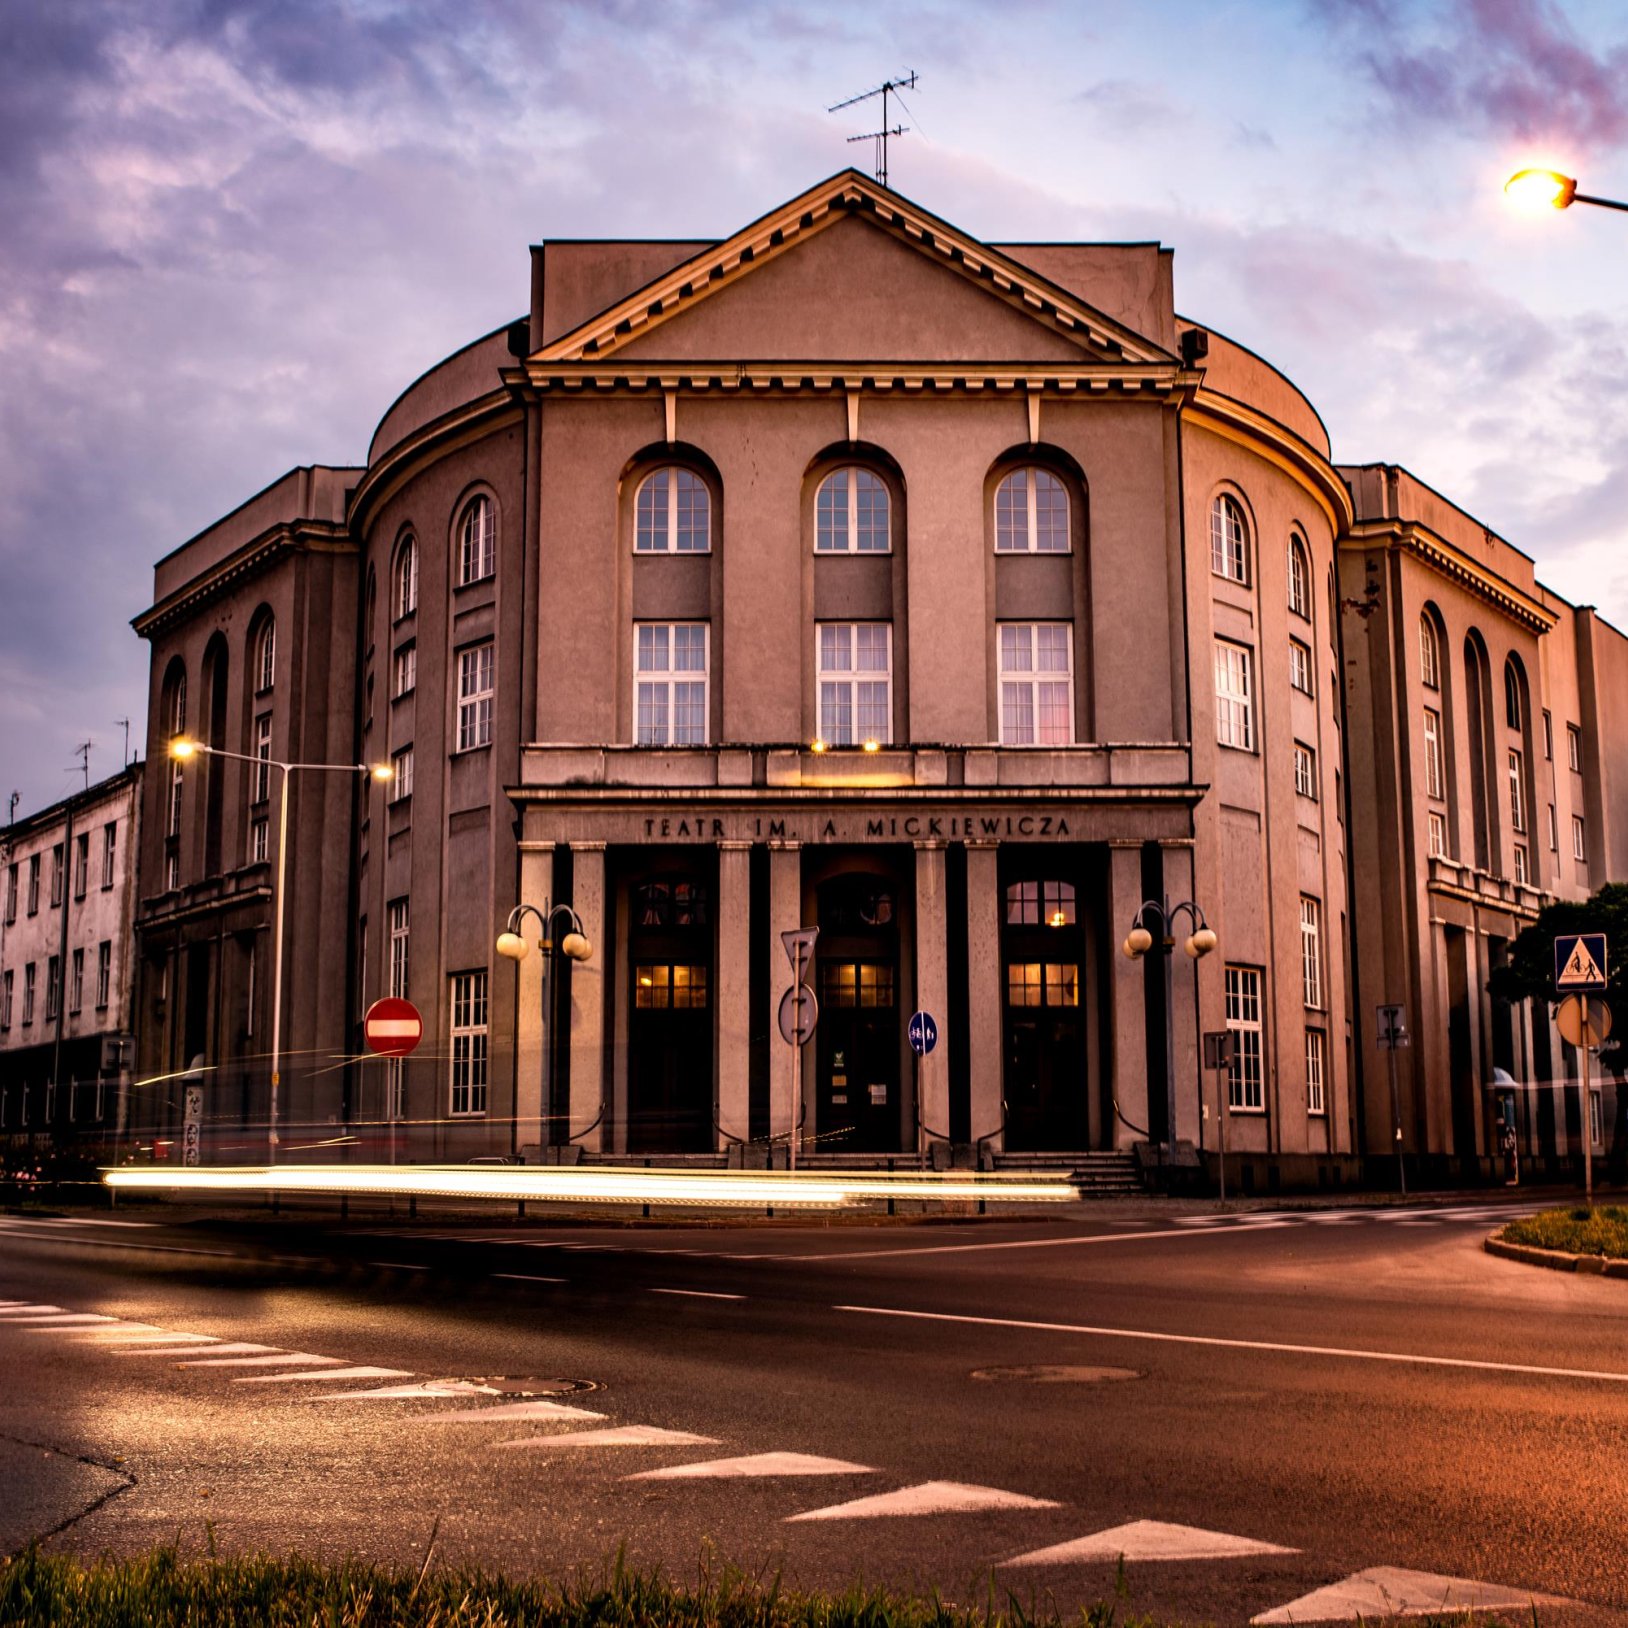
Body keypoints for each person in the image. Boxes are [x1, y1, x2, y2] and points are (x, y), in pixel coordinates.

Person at [1499, 1114, 1519, 1187]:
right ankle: (1512, 1176)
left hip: (1509, 1151)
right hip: (1508, 1151)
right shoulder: (1507, 1132)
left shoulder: (1509, 1131)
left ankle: (1512, 1176)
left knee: (1511, 1163)